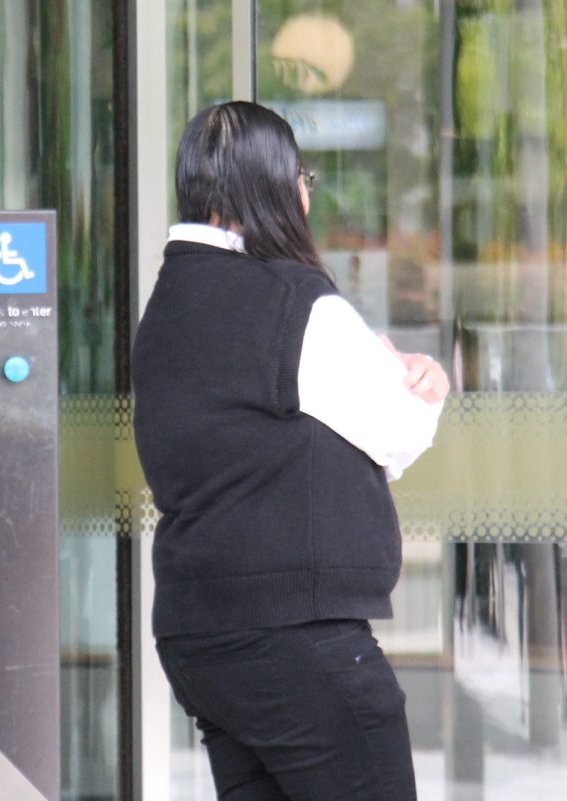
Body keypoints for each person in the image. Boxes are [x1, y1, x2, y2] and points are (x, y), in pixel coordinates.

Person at [131, 101, 449, 801]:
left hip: (201, 636)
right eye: (301, 174)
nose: (307, 192)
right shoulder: (294, 303)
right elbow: (398, 429)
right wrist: (431, 383)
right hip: (297, 637)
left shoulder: (166, 309)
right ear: (269, 185)